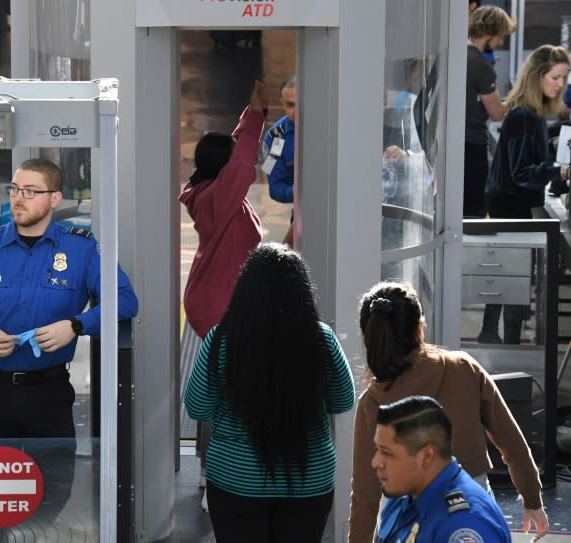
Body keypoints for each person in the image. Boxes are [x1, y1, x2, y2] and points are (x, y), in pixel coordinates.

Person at [0, 158, 139, 441]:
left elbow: (125, 299)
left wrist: (75, 326)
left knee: (53, 480)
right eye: (15, 189)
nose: (19, 198)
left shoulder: (81, 249)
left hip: (48, 393)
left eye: (31, 191)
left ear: (55, 198)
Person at [348, 281, 548, 543]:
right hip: (471, 510)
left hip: (407, 520)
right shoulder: (464, 368)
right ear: (420, 328)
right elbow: (511, 441)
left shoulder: (372, 402)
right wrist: (532, 497)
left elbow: (365, 496)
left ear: (371, 335)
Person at [184, 243, 355, 542]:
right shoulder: (321, 338)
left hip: (236, 480)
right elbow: (343, 400)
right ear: (301, 291)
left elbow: (198, 406)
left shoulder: (222, 339)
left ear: (246, 288)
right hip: (308, 480)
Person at [180, 79, 268, 509]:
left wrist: (250, 115)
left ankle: (208, 471)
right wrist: (254, 121)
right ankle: (213, 476)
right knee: (224, 396)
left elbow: (233, 155)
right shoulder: (218, 197)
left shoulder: (213, 193)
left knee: (224, 393)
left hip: (218, 303)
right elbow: (242, 164)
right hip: (218, 310)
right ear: (222, 167)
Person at [481, 45, 571, 343]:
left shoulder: (530, 113)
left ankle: (496, 338)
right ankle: (510, 347)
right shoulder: (523, 115)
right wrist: (557, 168)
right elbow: (521, 174)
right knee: (514, 281)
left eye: (564, 77)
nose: (561, 84)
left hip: (509, 203)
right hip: (511, 206)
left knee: (510, 279)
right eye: (555, 77)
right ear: (538, 76)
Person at [373, 396, 512, 543]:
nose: (376, 462)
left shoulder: (464, 524)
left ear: (426, 456)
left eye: (387, 453)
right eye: (378, 449)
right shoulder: (401, 499)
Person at [463, 6, 515, 218]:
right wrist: (518, 97)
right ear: (488, 33)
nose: (501, 43)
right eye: (500, 36)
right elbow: (497, 114)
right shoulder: (480, 64)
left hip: (453, 144)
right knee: (473, 210)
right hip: (472, 146)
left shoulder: (460, 55)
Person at [260, 76, 296, 245]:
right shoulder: (274, 139)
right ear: (282, 103)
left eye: (301, 104)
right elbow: (275, 187)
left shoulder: (335, 125)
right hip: (305, 212)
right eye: (290, 105)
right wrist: (295, 192)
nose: (296, 111)